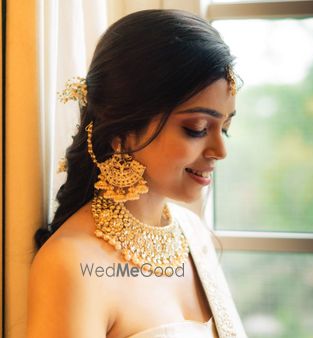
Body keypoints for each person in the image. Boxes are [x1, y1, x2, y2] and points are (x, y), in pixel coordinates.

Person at [26, 9, 247, 338]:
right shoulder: (70, 264)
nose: (220, 150)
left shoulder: (192, 233)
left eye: (224, 129)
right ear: (123, 132)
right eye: (197, 129)